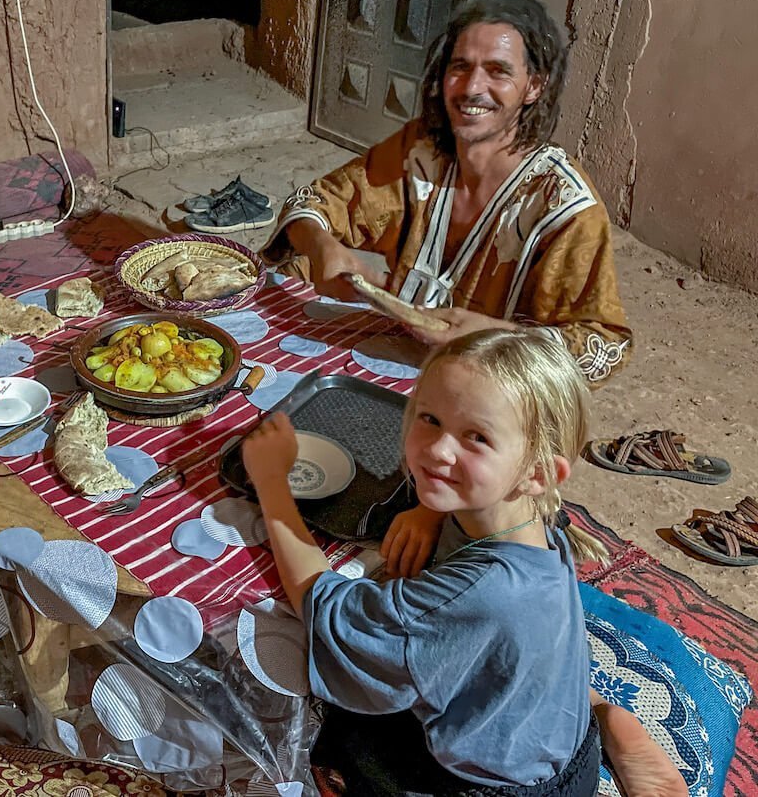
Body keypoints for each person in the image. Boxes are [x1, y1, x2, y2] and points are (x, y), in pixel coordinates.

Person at [242, 330, 676, 795]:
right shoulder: (536, 515)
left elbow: (324, 606)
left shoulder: (477, 593)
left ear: (536, 472)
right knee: (501, 660)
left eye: (476, 437)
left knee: (338, 719)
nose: (437, 450)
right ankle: (601, 712)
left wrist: (271, 483)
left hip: (480, 787)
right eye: (429, 418)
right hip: (560, 747)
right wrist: (430, 509)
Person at [263, 0, 632, 387]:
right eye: (460, 67)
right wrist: (322, 246)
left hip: (494, 396)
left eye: (498, 71)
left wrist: (494, 335)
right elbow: (316, 202)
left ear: (533, 87)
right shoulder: (423, 150)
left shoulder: (565, 207)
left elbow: (601, 348)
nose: (472, 87)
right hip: (402, 362)